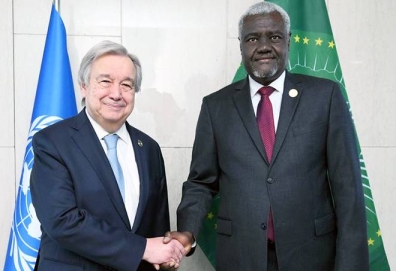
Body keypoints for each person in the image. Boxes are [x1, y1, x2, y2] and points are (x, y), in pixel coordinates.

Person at [165, 2, 369, 270]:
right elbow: (201, 182)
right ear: (241, 45)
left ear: (288, 41)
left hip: (312, 256)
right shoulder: (216, 106)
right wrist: (187, 232)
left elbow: (348, 190)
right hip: (241, 257)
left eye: (274, 36)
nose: (263, 46)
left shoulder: (325, 97)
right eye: (252, 38)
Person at [30, 40, 184, 271]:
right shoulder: (52, 142)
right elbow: (62, 221)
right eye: (105, 81)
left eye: (126, 85)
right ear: (84, 86)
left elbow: (157, 230)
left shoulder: (149, 148)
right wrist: (143, 249)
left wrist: (165, 254)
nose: (116, 94)